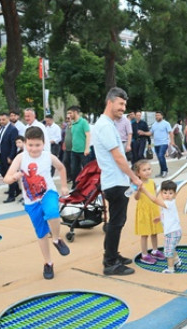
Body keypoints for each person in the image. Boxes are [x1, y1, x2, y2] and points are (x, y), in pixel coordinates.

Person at [3, 126, 70, 279]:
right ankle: (48, 263)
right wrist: (14, 177)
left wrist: (64, 186)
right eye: (30, 145)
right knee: (41, 233)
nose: (34, 149)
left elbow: (61, 167)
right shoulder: (20, 158)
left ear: (43, 143)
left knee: (52, 212)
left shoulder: (48, 156)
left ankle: (57, 238)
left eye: (37, 145)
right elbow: (6, 178)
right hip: (31, 201)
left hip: (48, 193)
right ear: (25, 143)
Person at [91, 87, 143, 276]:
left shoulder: (108, 124)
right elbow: (118, 157)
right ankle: (110, 262)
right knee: (116, 223)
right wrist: (134, 177)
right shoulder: (104, 126)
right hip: (115, 182)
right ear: (110, 102)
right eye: (120, 104)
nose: (123, 108)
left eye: (125, 105)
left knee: (117, 221)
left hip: (115, 181)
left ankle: (112, 255)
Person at [139, 180, 183, 274]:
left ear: (175, 195)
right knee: (171, 248)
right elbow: (167, 214)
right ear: (162, 193)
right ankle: (177, 260)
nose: (167, 195)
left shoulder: (169, 203)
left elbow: (155, 200)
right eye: (165, 192)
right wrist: (159, 218)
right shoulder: (168, 203)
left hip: (172, 232)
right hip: (175, 232)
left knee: (168, 251)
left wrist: (145, 191)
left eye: (170, 193)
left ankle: (170, 269)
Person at [132, 159, 166, 264]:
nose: (147, 172)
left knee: (154, 232)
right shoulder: (137, 183)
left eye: (149, 169)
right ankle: (144, 254)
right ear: (138, 173)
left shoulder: (152, 182)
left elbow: (155, 195)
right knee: (145, 233)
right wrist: (138, 189)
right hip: (144, 210)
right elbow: (136, 198)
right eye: (144, 170)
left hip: (153, 209)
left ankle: (155, 250)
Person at [0, 113, 20, 203]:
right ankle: (16, 189)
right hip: (1, 155)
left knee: (9, 175)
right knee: (1, 170)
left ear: (8, 119)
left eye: (3, 119)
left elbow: (14, 145)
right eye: (0, 120)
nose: (1, 121)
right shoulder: (2, 128)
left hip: (8, 156)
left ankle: (11, 196)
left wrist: (11, 156)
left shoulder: (12, 129)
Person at [68, 106, 91, 183]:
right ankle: (75, 186)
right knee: (74, 170)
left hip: (83, 151)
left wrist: (87, 148)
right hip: (74, 151)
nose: (69, 115)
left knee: (86, 170)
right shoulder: (73, 123)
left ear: (75, 112)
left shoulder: (83, 122)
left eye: (70, 113)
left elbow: (88, 135)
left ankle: (87, 186)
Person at [147, 111, 173, 178]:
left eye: (158, 115)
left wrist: (172, 141)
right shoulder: (154, 124)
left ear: (162, 116)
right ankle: (161, 172)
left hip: (163, 143)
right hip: (156, 144)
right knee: (159, 158)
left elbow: (170, 132)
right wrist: (143, 133)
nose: (157, 117)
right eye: (156, 115)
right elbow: (150, 133)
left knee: (161, 156)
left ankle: (165, 170)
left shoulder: (166, 123)